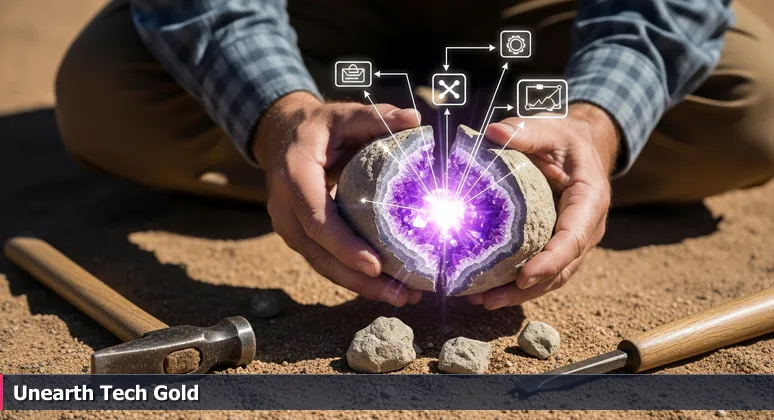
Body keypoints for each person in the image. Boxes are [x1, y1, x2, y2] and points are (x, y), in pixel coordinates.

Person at [55, 0, 774, 310]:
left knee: (752, 112)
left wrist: (599, 119)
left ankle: (516, 127)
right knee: (105, 97)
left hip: (535, 12)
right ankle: (326, 130)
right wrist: (278, 114)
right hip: (313, 13)